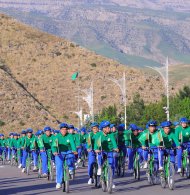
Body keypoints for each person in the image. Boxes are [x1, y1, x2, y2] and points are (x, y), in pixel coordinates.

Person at [52, 123, 77, 189]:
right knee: (59, 166)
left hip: (68, 152)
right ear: (60, 130)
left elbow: (72, 144)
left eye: (65, 129)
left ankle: (71, 169)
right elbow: (54, 146)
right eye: (62, 129)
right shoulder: (56, 136)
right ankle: (59, 182)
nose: (64, 131)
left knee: (71, 158)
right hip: (59, 153)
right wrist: (54, 151)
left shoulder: (70, 136)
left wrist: (74, 150)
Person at [94, 120, 119, 189]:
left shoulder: (111, 134)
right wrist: (96, 149)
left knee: (112, 165)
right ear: (103, 129)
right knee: (100, 158)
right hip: (101, 151)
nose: (109, 129)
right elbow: (96, 143)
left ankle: (111, 180)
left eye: (109, 127)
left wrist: (116, 148)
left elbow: (113, 142)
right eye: (107, 127)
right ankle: (100, 167)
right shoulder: (98, 134)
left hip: (110, 151)